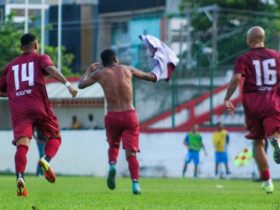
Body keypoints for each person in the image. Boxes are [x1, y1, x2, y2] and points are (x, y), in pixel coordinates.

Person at [0, 33, 77, 196]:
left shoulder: (10, 67)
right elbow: (50, 69)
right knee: (55, 137)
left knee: (22, 145)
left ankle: (20, 178)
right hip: (38, 106)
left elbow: (1, 91)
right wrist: (68, 84)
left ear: (21, 48)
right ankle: (45, 160)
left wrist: (15, 93)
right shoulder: (40, 58)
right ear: (36, 45)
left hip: (19, 110)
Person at [78, 49, 157, 195]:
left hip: (113, 115)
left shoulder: (100, 74)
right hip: (129, 114)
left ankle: (112, 165)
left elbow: (80, 85)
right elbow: (148, 76)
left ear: (103, 62)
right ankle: (135, 184)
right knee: (131, 153)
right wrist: (157, 74)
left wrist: (88, 71)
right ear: (115, 58)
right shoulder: (128, 69)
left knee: (113, 145)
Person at [224, 26, 277, 193]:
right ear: (264, 38)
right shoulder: (277, 56)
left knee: (258, 142)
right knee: (274, 134)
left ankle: (267, 181)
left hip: (253, 105)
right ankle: (276, 140)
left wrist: (227, 99)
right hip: (272, 102)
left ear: (249, 40)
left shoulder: (244, 58)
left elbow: (235, 80)